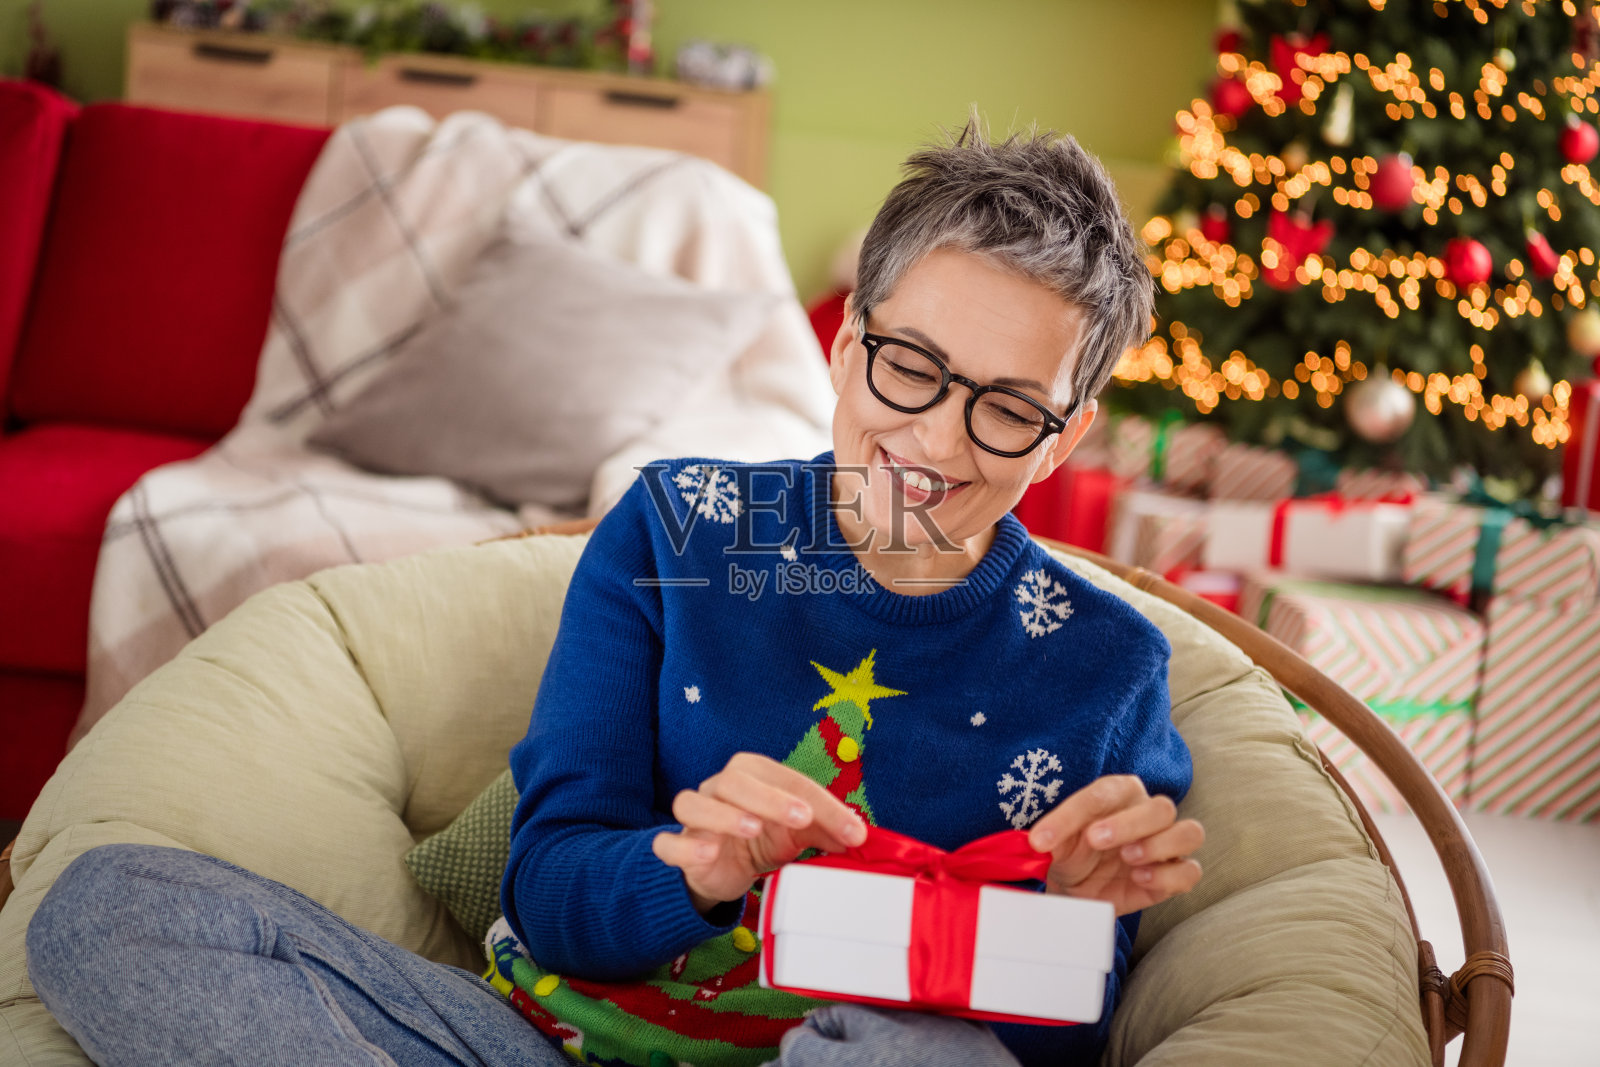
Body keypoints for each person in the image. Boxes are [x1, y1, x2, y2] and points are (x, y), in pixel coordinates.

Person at [26, 117, 1204, 1067]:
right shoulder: (680, 527)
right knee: (105, 904)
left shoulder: (1106, 668)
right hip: (522, 1040)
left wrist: (1078, 934)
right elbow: (546, 889)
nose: (936, 439)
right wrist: (689, 869)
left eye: (1006, 405)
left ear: (1064, 437)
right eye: (911, 367)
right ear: (847, 351)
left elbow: (1055, 1042)